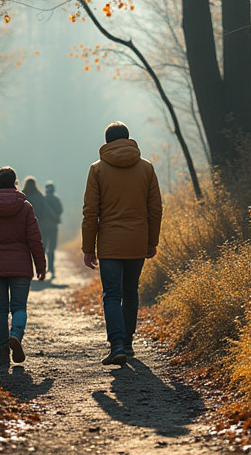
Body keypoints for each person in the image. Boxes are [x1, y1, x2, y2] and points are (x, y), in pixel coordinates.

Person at [82, 121, 162, 366]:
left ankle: (116, 344)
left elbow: (90, 212)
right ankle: (127, 343)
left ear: (107, 142)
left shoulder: (97, 170)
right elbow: (155, 209)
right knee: (130, 291)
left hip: (109, 243)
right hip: (137, 240)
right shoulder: (146, 168)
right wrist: (152, 241)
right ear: (129, 139)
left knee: (111, 294)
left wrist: (88, 248)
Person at [0, 166, 46, 365]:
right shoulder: (25, 207)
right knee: (19, 306)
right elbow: (35, 240)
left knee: (0, 309)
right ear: (15, 182)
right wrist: (41, 266)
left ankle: (3, 350)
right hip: (21, 265)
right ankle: (16, 335)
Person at [22, 176, 56, 271]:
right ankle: (41, 267)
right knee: (38, 245)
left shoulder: (23, 195)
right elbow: (43, 210)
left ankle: (27, 268)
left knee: (25, 247)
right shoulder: (39, 195)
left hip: (24, 225)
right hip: (37, 223)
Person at [43, 181, 63, 276]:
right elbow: (60, 210)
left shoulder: (43, 199)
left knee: (44, 248)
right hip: (53, 227)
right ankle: (51, 268)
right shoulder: (56, 199)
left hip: (43, 227)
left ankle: (45, 268)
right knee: (51, 248)